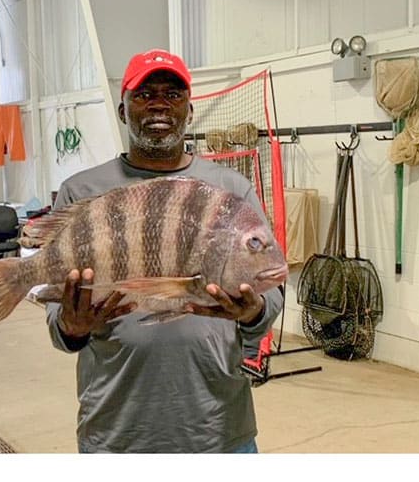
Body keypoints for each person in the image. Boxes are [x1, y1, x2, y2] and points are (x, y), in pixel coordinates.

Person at [45, 49, 285, 453]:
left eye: (173, 95)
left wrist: (255, 312)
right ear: (123, 111)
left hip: (219, 429)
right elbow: (58, 323)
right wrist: (72, 325)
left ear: (189, 111)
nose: (159, 103)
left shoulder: (231, 188)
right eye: (144, 94)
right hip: (118, 431)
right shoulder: (81, 190)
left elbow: (271, 295)